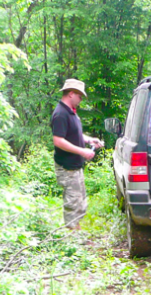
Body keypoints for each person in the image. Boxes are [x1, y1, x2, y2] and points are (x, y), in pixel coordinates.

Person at [50, 78, 104, 229]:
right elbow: (58, 141)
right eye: (80, 97)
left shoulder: (71, 112)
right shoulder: (60, 114)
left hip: (75, 166)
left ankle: (76, 233)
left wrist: (89, 141)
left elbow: (74, 134)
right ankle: (71, 241)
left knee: (80, 203)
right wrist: (82, 151)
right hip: (67, 168)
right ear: (71, 94)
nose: (81, 100)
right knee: (72, 204)